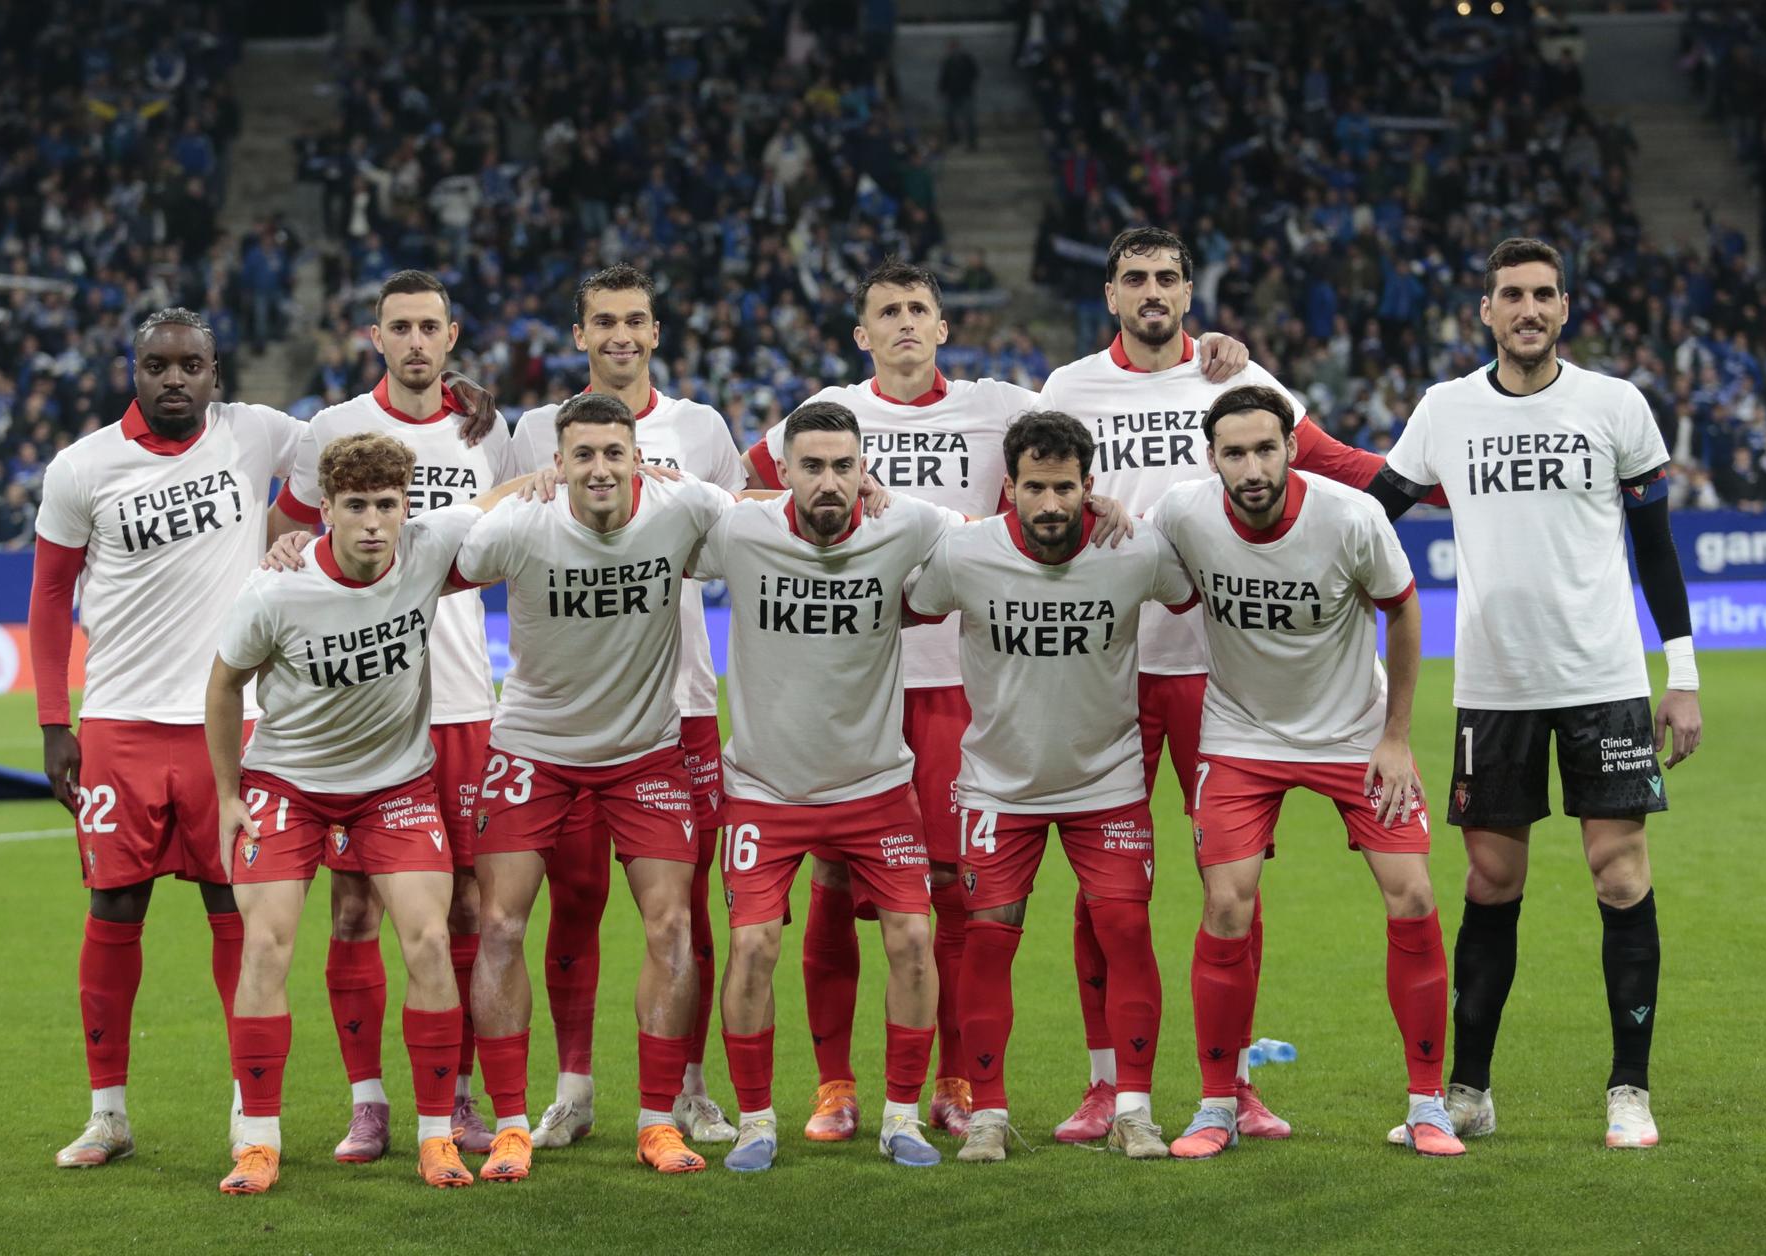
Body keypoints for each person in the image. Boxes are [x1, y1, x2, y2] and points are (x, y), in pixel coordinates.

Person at [740, 258, 1233, 1140]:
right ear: (861, 333)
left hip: (959, 683)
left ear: (942, 327)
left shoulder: (998, 405)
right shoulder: (830, 411)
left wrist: (1202, 368)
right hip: (856, 680)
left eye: (917, 309)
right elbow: (750, 492)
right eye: (886, 311)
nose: (903, 323)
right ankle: (834, 1086)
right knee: (832, 881)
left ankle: (957, 1084)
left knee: (948, 899)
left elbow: (1064, 457)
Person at [1037, 225, 1440, 1144]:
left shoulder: (1234, 375)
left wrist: (1456, 488)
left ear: (1189, 292)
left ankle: (1238, 1083)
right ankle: (1105, 1083)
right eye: (1134, 278)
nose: (1151, 291)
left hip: (1219, 674)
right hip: (1110, 665)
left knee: (1232, 885)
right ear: (1110, 294)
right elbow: (1030, 492)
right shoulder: (1067, 388)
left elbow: (1335, 464)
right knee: (1106, 889)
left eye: (1167, 278)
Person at [1369, 237, 1703, 1150]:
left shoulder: (1615, 404)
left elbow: (1657, 550)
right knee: (1491, 879)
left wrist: (1681, 677)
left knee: (1620, 872)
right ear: (1486, 311)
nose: (1528, 310)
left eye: (1543, 295)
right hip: (1495, 684)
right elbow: (1371, 512)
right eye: (1511, 295)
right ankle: (1469, 1092)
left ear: (1564, 308)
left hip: (1605, 679)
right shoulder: (1445, 409)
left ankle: (1629, 1091)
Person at [206, 433, 529, 1194]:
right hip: (289, 784)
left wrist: (552, 472)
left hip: (395, 788)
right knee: (265, 948)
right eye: (356, 505)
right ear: (325, 510)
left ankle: (435, 1137)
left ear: (406, 506)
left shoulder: (426, 545)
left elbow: (494, 502)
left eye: (388, 504)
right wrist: (226, 795)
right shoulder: (275, 590)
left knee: (429, 940)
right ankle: (258, 1142)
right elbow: (223, 685)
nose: (374, 522)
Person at [1148, 385, 1460, 1159]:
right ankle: (1217, 1105)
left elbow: (1404, 609)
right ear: (1212, 457)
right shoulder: (1182, 513)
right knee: (1226, 904)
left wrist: (1396, 738)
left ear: (1291, 447)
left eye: (1265, 448)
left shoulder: (1351, 516)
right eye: (1234, 453)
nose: (1252, 468)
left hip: (1354, 733)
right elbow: (1123, 553)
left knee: (1414, 895)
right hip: (1241, 735)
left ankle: (1428, 1104)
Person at [29, 309, 306, 1169]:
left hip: (234, 727)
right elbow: (49, 597)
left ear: (217, 372)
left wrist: (449, 395)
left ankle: (250, 1112)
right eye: (158, 365)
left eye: (191, 364)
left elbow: (347, 444)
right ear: (134, 371)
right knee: (115, 909)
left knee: (239, 913)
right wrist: (53, 722)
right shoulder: (82, 466)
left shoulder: (255, 433)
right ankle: (107, 1115)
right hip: (120, 724)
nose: (175, 378)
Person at [454, 392, 737, 1178]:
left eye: (615, 452)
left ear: (638, 456)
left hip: (644, 753)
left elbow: (769, 517)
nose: (600, 468)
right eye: (583, 455)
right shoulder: (522, 524)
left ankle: (657, 1122)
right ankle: (513, 1124)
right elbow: (434, 548)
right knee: (500, 925)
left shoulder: (685, 507)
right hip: (534, 750)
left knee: (671, 927)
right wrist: (514, 489)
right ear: (560, 462)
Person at [265, 270, 512, 1163]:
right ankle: (367, 1103)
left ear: (451, 338)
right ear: (375, 336)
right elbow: (283, 536)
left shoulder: (488, 431)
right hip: (360, 716)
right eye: (399, 327)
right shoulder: (331, 428)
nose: (415, 341)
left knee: (467, 911)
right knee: (352, 912)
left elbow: (519, 526)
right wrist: (288, 545)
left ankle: (459, 1096)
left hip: (464, 702)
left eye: (429, 327)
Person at [905, 409, 1194, 1162]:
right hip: (998, 788)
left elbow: (1190, 594)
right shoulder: (965, 552)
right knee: (986, 943)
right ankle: (989, 1113)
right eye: (1035, 487)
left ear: (1089, 485)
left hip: (1107, 783)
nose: (1051, 503)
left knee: (1126, 933)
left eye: (1066, 487)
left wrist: (1131, 518)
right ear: (1009, 487)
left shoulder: (1133, 549)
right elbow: (905, 605)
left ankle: (1134, 1110)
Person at [507, 265, 744, 1150]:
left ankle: (689, 1087)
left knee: (686, 903)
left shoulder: (702, 427)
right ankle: (572, 1091)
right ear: (579, 335)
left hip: (680, 702)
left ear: (655, 332)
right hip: (569, 712)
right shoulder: (535, 430)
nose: (620, 335)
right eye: (603, 321)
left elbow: (741, 526)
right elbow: (505, 522)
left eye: (634, 320)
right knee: (574, 899)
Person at [694, 400, 959, 1172]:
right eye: (811, 467)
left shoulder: (906, 525)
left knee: (913, 939)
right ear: (784, 472)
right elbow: (653, 503)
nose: (829, 482)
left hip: (875, 788)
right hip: (766, 790)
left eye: (844, 466)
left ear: (863, 468)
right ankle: (756, 1121)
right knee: (752, 946)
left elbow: (994, 534)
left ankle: (901, 1116)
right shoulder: (740, 530)